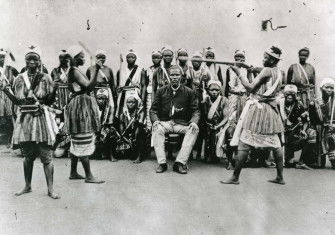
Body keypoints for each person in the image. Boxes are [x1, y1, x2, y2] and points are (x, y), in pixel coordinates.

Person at [1, 46, 60, 199]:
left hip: (40, 119)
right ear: (25, 61)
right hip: (25, 120)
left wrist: (54, 90)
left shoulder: (46, 77)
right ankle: (27, 186)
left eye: (35, 59)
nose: (32, 61)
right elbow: (18, 101)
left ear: (39, 61)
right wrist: (6, 91)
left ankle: (50, 189)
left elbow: (49, 100)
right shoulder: (20, 78)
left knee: (46, 155)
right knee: (28, 155)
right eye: (29, 59)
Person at [221, 46, 285, 185]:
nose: (263, 59)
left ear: (273, 60)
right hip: (271, 111)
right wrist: (248, 67)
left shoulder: (267, 70)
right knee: (276, 144)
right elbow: (259, 70)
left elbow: (250, 87)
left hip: (259, 110)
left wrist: (239, 72)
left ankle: (235, 177)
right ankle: (280, 177)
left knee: (244, 143)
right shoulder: (278, 71)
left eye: (266, 58)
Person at [64, 44, 104, 183]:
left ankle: (73, 172)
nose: (84, 58)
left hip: (79, 104)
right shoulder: (74, 71)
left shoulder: (75, 70)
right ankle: (89, 176)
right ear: (75, 58)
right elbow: (89, 86)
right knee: (82, 137)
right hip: (80, 107)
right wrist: (97, 70)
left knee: (77, 137)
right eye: (82, 57)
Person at [150, 65, 200, 174]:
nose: (174, 77)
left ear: (181, 77)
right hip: (165, 122)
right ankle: (162, 163)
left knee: (193, 130)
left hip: (181, 123)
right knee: (156, 128)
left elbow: (195, 111)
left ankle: (179, 163)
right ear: (168, 76)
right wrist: (156, 121)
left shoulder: (189, 92)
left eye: (177, 75)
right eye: (172, 75)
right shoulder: (161, 91)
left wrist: (193, 122)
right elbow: (153, 110)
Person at [189, 51, 211, 160]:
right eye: (194, 60)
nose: (196, 62)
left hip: (202, 100)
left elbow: (209, 86)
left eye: (199, 60)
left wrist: (203, 86)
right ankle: (191, 152)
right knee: (192, 123)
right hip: (191, 100)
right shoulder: (189, 71)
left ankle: (199, 152)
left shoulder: (205, 71)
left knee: (202, 125)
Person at [280, 84, 308, 168]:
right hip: (281, 130)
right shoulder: (280, 104)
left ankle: (300, 160)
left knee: (308, 136)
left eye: (292, 95)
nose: (289, 97)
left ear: (295, 95)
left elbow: (305, 120)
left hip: (294, 131)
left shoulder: (299, 105)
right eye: (287, 94)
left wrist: (304, 130)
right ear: (284, 95)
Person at [309, 78, 335, 169]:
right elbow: (312, 119)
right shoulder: (315, 102)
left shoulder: (334, 102)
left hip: (332, 129)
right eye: (327, 87)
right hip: (320, 128)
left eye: (331, 88)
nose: (329, 90)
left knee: (332, 140)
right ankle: (318, 160)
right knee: (320, 163)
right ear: (321, 88)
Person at [86, 50, 117, 126]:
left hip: (106, 91)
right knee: (94, 109)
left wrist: (114, 95)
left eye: (103, 57)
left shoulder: (108, 69)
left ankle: (106, 127)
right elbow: (87, 83)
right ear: (95, 58)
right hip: (94, 91)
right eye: (98, 57)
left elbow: (112, 84)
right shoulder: (90, 69)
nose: (101, 59)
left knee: (109, 108)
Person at [116, 95, 149, 163]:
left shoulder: (140, 112)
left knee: (139, 131)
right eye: (129, 102)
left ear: (136, 103)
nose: (131, 104)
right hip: (128, 138)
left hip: (138, 135)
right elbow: (122, 132)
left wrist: (136, 120)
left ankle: (139, 156)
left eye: (133, 102)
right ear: (126, 103)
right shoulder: (123, 115)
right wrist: (128, 141)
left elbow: (140, 125)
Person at [202, 80, 229, 162]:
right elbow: (204, 116)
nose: (214, 92)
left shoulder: (224, 100)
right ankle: (207, 154)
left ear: (220, 90)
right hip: (208, 125)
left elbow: (226, 117)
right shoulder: (205, 101)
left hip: (220, 125)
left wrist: (218, 126)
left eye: (217, 90)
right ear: (208, 90)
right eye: (212, 90)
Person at [116, 49, 144, 120]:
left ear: (136, 58)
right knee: (122, 113)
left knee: (136, 112)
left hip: (134, 92)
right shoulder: (120, 70)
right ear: (126, 58)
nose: (130, 59)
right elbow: (117, 84)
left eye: (133, 57)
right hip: (123, 93)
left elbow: (143, 84)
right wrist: (118, 89)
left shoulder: (140, 70)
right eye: (128, 57)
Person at [0, 48, 19, 145]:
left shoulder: (11, 69)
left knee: (10, 115)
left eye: (3, 57)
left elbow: (20, 77)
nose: (1, 59)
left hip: (8, 93)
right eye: (0, 57)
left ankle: (10, 137)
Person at [95, 88, 118, 162]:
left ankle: (111, 155)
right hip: (95, 130)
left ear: (106, 99)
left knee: (111, 131)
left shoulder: (110, 109)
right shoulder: (93, 108)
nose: (101, 101)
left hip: (105, 129)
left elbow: (110, 123)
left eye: (103, 99)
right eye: (99, 98)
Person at [142, 50, 163, 129]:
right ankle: (149, 131)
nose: (156, 59)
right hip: (150, 94)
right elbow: (144, 84)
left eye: (158, 57)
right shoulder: (147, 70)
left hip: (161, 94)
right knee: (150, 112)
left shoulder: (163, 69)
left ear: (161, 58)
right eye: (154, 57)